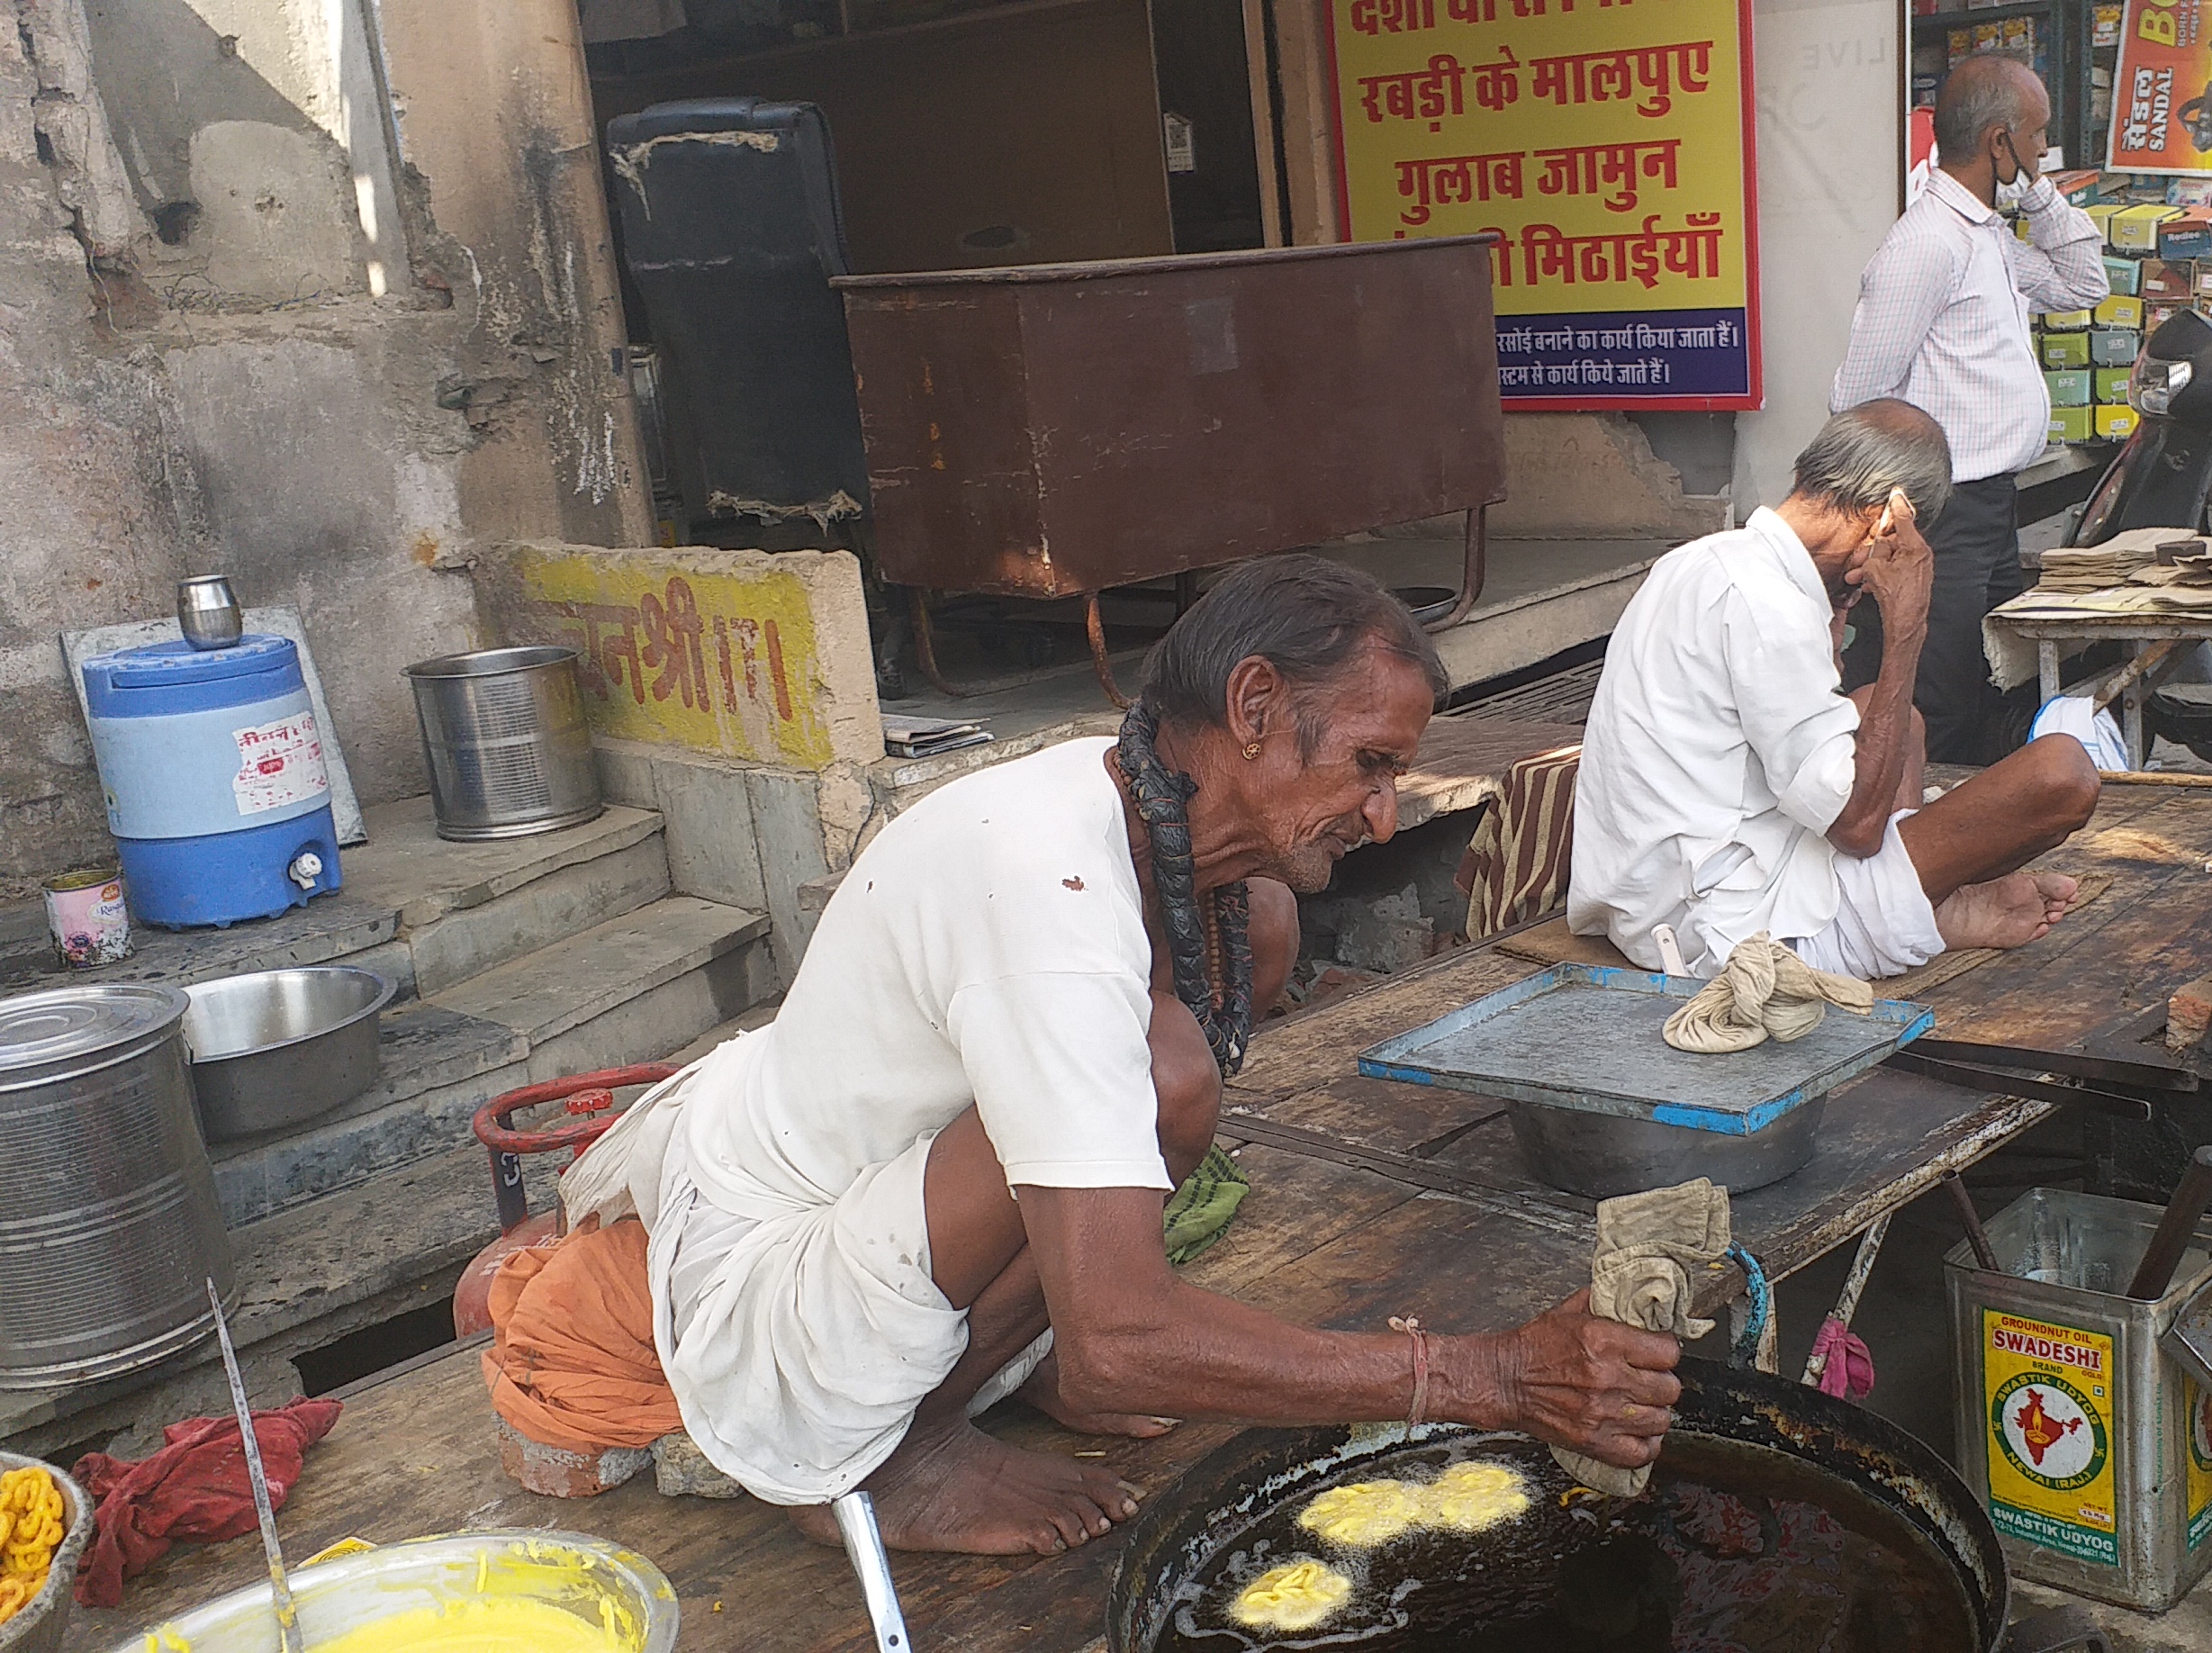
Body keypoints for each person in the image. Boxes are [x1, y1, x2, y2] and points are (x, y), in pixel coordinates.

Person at [505, 556, 1680, 1555]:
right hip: (777, 1251)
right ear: (1256, 705)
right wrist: (1486, 1379)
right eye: (1372, 764)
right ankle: (888, 1459)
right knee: (1162, 1088)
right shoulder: (1051, 891)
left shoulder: (1141, 802)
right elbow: (1127, 1343)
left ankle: (1014, 1355)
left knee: (1233, 970)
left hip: (890, 1176)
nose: (1385, 813)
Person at [1569, 402, 2101, 983]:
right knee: (2063, 771)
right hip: (1724, 929)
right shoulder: (1768, 603)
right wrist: (1907, 629)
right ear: (1887, 524)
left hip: (1662, 895)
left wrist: (1829, 637)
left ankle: (1917, 905)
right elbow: (1857, 826)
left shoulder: (1705, 560)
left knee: (1889, 713)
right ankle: (1919, 909)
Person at [1832, 51, 2108, 765]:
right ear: (1998, 140)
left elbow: (2084, 283)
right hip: (1939, 512)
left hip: (1990, 505)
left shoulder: (1984, 233)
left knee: (1993, 681)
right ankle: (1913, 846)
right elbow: (1858, 396)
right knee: (1937, 695)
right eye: (2037, 135)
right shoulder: (1925, 243)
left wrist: (2039, 193)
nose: (2044, 150)